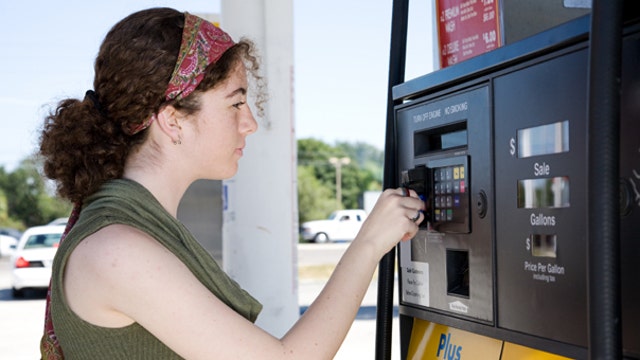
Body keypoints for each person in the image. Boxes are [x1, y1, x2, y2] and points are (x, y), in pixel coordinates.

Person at [38, 7, 425, 360]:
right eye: (236, 103)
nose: (250, 123)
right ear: (172, 120)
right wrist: (369, 243)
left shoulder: (133, 230)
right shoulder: (118, 250)